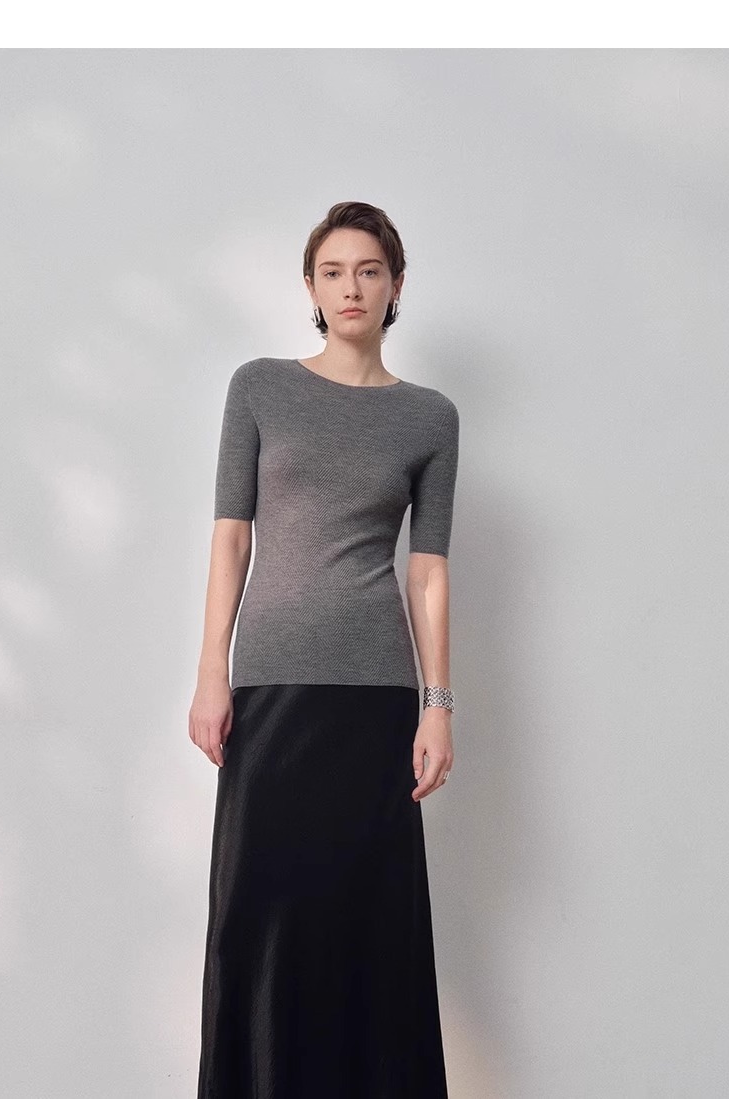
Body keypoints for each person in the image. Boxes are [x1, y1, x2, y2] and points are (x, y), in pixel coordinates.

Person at [190, 200, 459, 1098]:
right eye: (334, 272)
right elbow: (231, 537)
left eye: (369, 271)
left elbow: (428, 572)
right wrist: (212, 673)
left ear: (396, 285)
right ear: (310, 288)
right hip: (270, 688)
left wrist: (436, 706)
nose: (352, 288)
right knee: (257, 918)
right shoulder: (259, 388)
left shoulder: (429, 417)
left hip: (374, 699)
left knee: (367, 928)